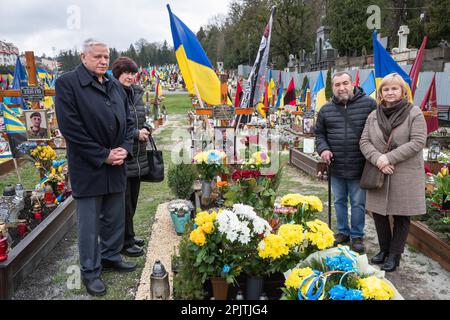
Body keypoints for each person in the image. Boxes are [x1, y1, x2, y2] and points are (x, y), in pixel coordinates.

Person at [55, 39, 136, 296]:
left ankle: (111, 255)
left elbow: (129, 120)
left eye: (106, 56)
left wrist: (125, 147)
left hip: (117, 164)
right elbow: (71, 129)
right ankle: (91, 271)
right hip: (89, 166)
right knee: (89, 225)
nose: (103, 61)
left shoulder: (114, 84)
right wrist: (103, 155)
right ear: (83, 57)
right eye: (98, 56)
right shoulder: (68, 84)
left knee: (114, 216)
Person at [360, 73, 426, 271]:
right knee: (378, 213)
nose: (390, 92)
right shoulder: (373, 115)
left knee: (401, 216)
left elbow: (418, 142)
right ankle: (384, 249)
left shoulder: (414, 113)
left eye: (394, 88)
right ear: (381, 93)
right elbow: (364, 141)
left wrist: (388, 157)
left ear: (403, 91)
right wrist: (378, 159)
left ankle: (395, 254)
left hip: (404, 172)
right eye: (386, 89)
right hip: (379, 170)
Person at [315, 71, 376, 253]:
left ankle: (357, 235)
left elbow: (378, 131)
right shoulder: (326, 109)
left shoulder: (369, 105)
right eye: (337, 85)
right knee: (339, 200)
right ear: (332, 87)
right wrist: (323, 149)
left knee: (358, 203)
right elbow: (320, 134)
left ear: (353, 83)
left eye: (345, 83)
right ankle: (343, 232)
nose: (341, 88)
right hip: (336, 165)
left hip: (359, 164)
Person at [112, 56, 151, 258]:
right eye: (125, 72)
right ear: (117, 74)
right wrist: (136, 134)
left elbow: (143, 117)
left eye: (132, 73)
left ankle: (130, 235)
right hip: (124, 155)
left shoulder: (136, 93)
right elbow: (116, 124)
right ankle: (125, 242)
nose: (129, 76)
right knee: (123, 203)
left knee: (133, 200)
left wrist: (147, 128)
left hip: (139, 155)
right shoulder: (113, 94)